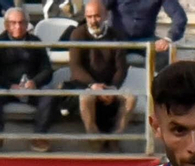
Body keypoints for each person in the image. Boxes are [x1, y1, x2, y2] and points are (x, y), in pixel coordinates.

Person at [34, 0, 136, 152]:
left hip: (110, 86)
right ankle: (94, 140)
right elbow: (75, 66)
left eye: (96, 16)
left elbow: (121, 68)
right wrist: (93, 86)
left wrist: (113, 88)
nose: (93, 20)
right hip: (85, 86)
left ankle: (115, 138)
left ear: (105, 15)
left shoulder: (117, 36)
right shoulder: (78, 34)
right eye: (89, 17)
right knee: (86, 97)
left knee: (131, 98)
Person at [0, 8, 53, 143]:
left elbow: (47, 70)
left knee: (49, 94)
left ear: (27, 24)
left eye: (21, 22)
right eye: (13, 23)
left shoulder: (36, 42)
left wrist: (34, 82)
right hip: (5, 88)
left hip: (31, 88)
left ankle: (40, 137)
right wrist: (10, 86)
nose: (18, 26)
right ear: (6, 25)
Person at [104, 0, 185, 71]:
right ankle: (102, 86)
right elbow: (97, 8)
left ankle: (159, 86)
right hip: (118, 40)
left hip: (147, 40)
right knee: (101, 53)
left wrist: (168, 39)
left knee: (167, 56)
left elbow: (179, 17)